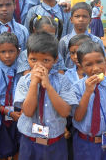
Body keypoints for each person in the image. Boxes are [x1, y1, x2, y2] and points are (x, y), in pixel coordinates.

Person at [14, 32, 78, 160]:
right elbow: (27, 111)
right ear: (27, 59)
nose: (39, 65)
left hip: (55, 142)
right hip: (30, 141)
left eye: (46, 60)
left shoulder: (62, 81)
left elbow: (65, 112)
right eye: (33, 60)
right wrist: (33, 84)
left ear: (55, 60)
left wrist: (48, 86)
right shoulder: (24, 81)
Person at [72, 41, 106, 160]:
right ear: (81, 67)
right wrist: (87, 92)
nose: (96, 68)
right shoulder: (77, 88)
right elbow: (77, 117)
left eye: (99, 62)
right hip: (83, 142)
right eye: (89, 64)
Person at [0, 32, 21, 160]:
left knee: (19, 146)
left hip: (20, 114)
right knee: (2, 148)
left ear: (18, 52)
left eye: (11, 51)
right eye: (3, 52)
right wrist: (7, 112)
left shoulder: (22, 72)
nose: (7, 56)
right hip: (2, 115)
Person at [59, 2, 105, 69]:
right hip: (69, 78)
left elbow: (101, 63)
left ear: (90, 20)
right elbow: (60, 64)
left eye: (85, 16)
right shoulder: (64, 41)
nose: (81, 19)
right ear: (71, 19)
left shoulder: (96, 41)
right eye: (77, 16)